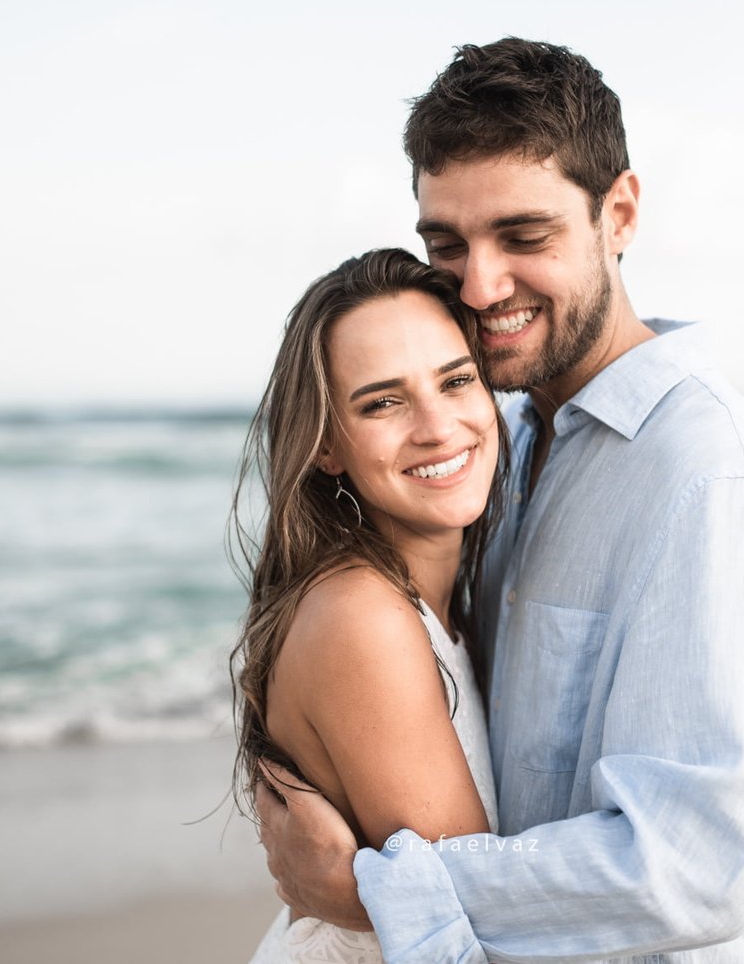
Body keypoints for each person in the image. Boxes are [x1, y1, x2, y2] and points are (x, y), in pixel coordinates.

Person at [254, 38, 744, 963]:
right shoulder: (497, 442)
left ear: (617, 214)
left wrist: (371, 894)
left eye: (523, 236)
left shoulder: (708, 477)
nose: (479, 286)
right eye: (448, 245)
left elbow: (690, 870)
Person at [232, 248, 510, 962]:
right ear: (327, 444)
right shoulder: (362, 615)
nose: (437, 426)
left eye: (457, 380)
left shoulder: (440, 603)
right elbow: (479, 928)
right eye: (384, 402)